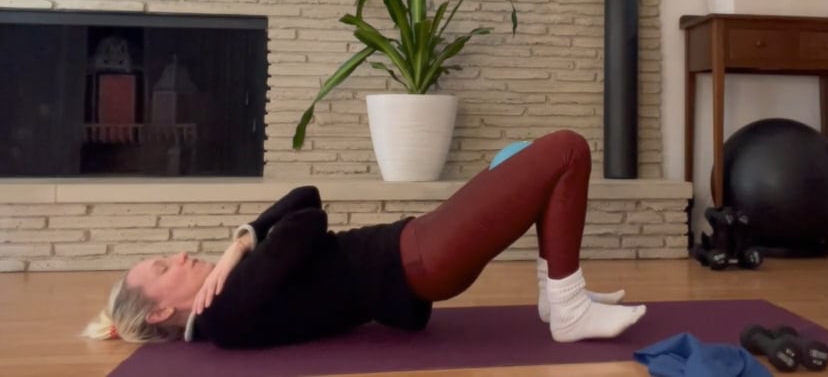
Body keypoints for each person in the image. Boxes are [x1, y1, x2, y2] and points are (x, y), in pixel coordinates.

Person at [82, 129, 646, 349]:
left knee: (518, 160)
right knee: (567, 149)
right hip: (420, 258)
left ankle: (557, 293)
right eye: (163, 266)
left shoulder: (231, 293)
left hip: (417, 254)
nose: (178, 255)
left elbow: (304, 192)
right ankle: (568, 307)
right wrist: (243, 247)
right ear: (159, 311)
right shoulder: (228, 309)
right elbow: (309, 218)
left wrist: (242, 239)